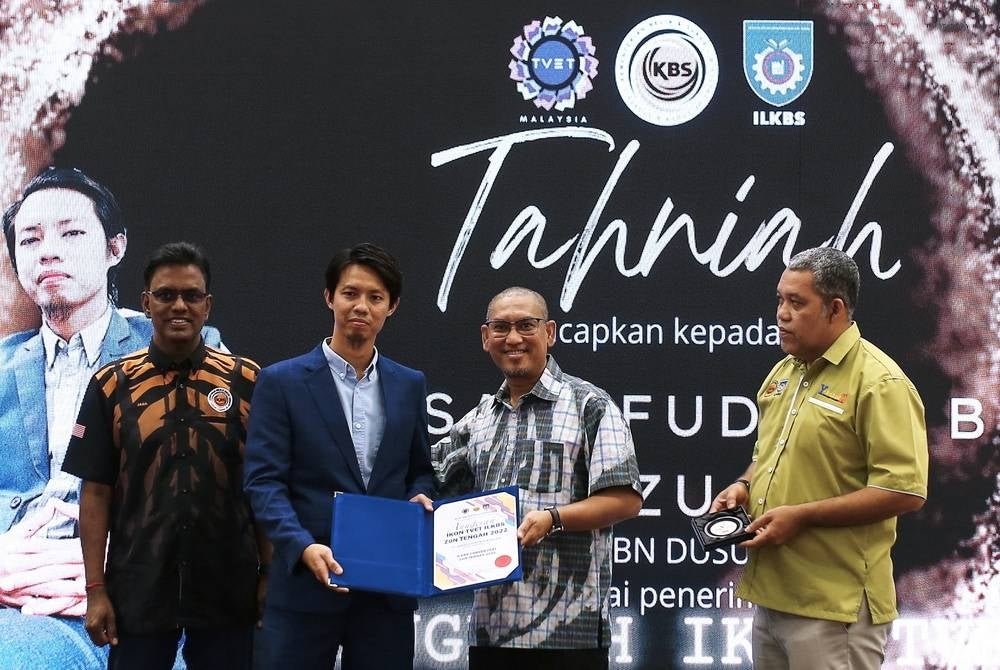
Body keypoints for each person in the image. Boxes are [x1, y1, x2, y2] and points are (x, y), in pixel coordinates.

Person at [0, 169, 221, 668]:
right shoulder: (2, 364)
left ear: (114, 248)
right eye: (30, 239)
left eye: (72, 233)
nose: (48, 251)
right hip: (15, 588)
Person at [709, 247, 929, 670]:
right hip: (772, 595)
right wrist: (744, 485)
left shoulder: (880, 382)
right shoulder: (784, 372)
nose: (782, 314)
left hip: (836, 607)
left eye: (797, 302)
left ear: (836, 309)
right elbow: (768, 456)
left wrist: (803, 516)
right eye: (779, 300)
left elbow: (903, 490)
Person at [61, 242, 267, 669]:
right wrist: (95, 589)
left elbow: (263, 488)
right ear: (145, 302)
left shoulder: (248, 381)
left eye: (192, 296)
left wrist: (269, 577)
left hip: (228, 587)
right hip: (139, 588)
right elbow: (95, 494)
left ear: (207, 306)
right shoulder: (111, 386)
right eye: (165, 294)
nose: (179, 306)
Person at [243, 242, 435, 670]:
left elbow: (420, 472)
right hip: (303, 586)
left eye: (375, 297)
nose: (361, 306)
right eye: (350, 293)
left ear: (393, 307)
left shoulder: (409, 384)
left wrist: (419, 497)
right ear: (329, 297)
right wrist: (302, 546)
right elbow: (263, 482)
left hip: (387, 593)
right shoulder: (281, 382)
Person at [432, 286, 643, 670]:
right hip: (491, 630)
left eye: (526, 326)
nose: (513, 338)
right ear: (486, 338)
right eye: (501, 327)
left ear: (549, 333)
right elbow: (429, 481)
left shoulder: (590, 405)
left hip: (569, 636)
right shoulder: (481, 419)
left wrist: (553, 519)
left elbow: (626, 500)